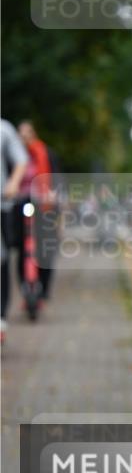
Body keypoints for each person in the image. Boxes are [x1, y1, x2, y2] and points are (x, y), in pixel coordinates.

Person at [12, 120, 60, 311]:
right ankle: (25, 287)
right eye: (21, 135)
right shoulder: (14, 155)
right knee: (22, 248)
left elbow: (56, 178)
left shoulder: (46, 153)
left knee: (45, 246)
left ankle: (43, 288)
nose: (24, 138)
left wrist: (53, 194)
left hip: (43, 205)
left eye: (27, 134)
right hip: (21, 202)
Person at [1, 119, 28, 344]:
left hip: (4, 205)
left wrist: (12, 183)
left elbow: (20, 161)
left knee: (3, 259)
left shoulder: (4, 129)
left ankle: (1, 318)